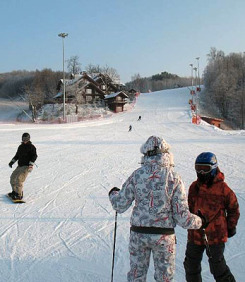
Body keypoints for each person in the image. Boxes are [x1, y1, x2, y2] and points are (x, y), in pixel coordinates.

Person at [108, 136, 206, 282]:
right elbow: (182, 217)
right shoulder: (174, 178)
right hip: (164, 237)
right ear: (167, 154)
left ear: (145, 154)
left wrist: (113, 194)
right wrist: (200, 221)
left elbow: (120, 205)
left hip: (139, 235)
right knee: (164, 278)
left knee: (136, 277)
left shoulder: (137, 175)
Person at [184, 152, 240, 282]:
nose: (202, 173)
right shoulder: (194, 187)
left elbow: (233, 208)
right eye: (198, 168)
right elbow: (188, 206)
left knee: (217, 267)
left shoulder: (222, 188)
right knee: (191, 265)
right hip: (196, 234)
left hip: (215, 234)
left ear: (214, 168)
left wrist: (231, 226)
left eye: (205, 169)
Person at [8, 133, 38, 200]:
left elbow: (34, 156)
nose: (24, 140)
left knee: (19, 179)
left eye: (26, 139)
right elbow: (17, 156)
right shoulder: (20, 147)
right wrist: (11, 162)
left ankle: (19, 194)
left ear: (28, 139)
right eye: (23, 139)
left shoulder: (31, 147)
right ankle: (14, 192)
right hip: (20, 165)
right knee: (13, 178)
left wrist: (31, 164)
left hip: (26, 166)